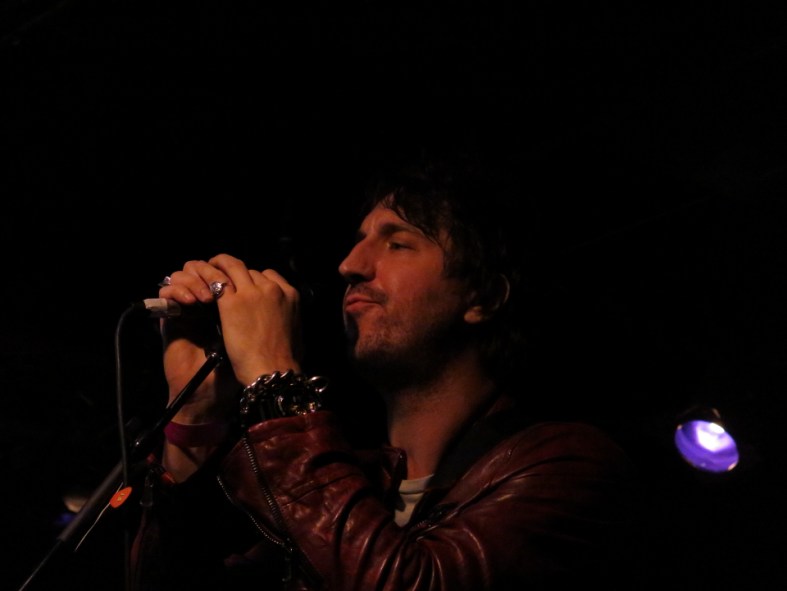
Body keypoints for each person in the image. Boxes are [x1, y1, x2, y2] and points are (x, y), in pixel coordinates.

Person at [129, 147, 635, 590]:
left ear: (482, 297)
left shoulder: (565, 466)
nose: (350, 265)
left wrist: (274, 380)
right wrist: (194, 418)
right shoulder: (347, 476)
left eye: (398, 243)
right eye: (359, 240)